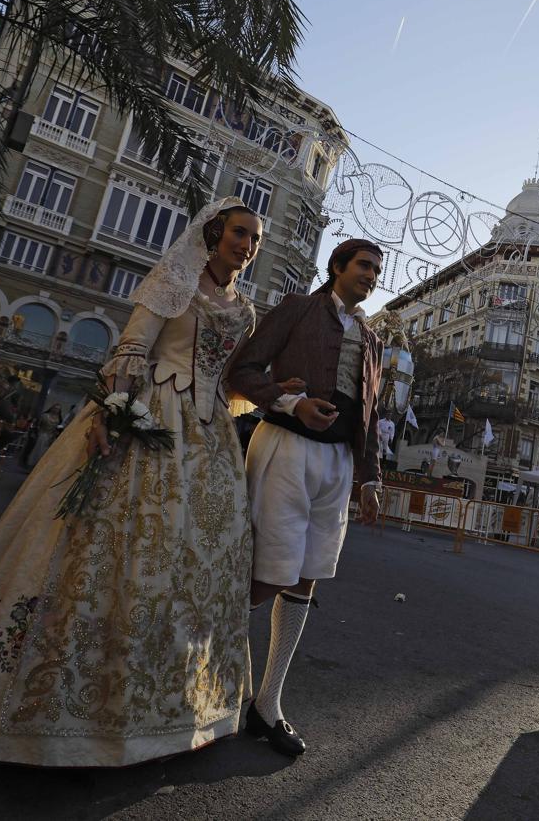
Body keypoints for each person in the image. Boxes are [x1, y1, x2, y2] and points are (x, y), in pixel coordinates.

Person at [0, 196, 271, 767]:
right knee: (114, 549)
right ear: (215, 233)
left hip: (209, 434)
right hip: (152, 415)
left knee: (197, 558)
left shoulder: (246, 308)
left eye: (255, 239)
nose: (248, 245)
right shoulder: (175, 279)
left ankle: (170, 713)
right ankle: (59, 717)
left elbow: (232, 378)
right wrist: (107, 415)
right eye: (240, 233)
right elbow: (133, 347)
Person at [229, 238, 386, 757]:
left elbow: (368, 416)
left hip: (338, 461)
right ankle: (203, 682)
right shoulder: (297, 309)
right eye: (364, 266)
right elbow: (242, 370)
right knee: (266, 572)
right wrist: (292, 402)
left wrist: (370, 477)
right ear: (337, 266)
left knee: (306, 575)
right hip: (286, 447)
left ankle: (266, 705)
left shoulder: (371, 336)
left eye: (377, 270)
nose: (372, 275)